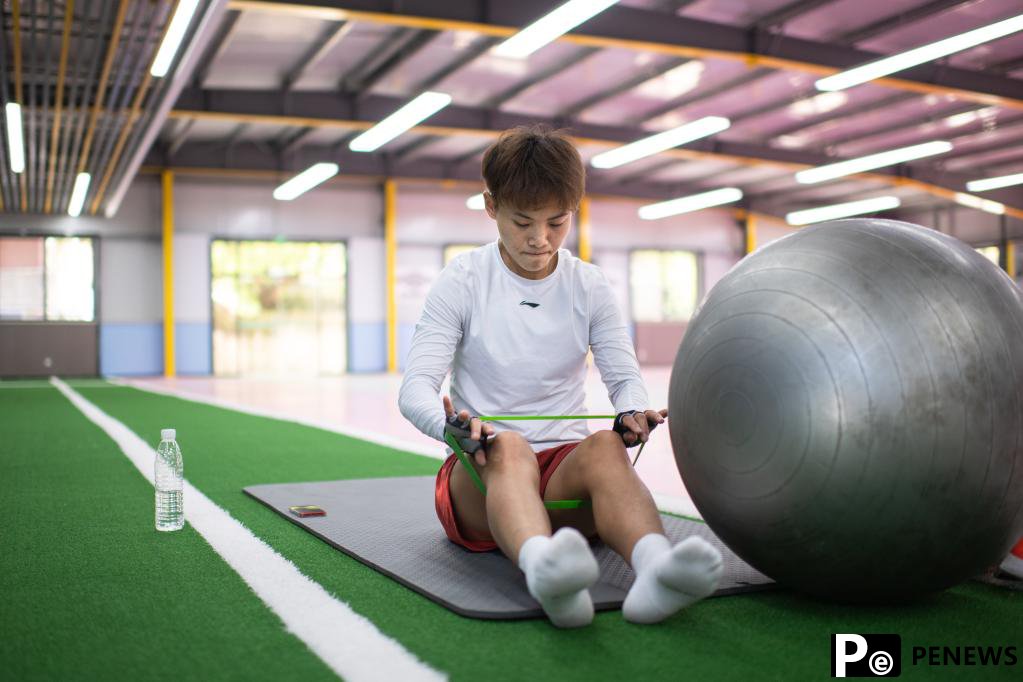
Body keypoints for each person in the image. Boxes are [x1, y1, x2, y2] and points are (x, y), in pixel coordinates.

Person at [398, 124, 722, 628]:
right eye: (523, 221)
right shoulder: (461, 280)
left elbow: (623, 377)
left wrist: (632, 412)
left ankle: (657, 571)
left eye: (557, 222)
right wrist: (452, 428)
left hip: (562, 485)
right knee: (510, 447)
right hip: (481, 484)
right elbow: (415, 387)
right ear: (491, 206)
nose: (540, 239)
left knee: (605, 447)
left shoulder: (589, 285)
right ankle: (544, 570)